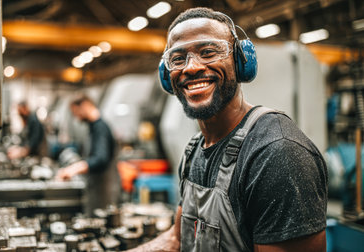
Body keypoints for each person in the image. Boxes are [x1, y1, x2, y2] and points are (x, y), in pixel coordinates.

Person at [129, 7, 328, 251]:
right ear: (166, 75)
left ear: (241, 61)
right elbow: (176, 240)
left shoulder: (276, 154)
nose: (191, 68)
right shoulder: (194, 151)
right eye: (178, 59)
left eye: (208, 52)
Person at [55, 94, 120, 216]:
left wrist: (73, 169)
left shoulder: (100, 128)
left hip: (104, 190)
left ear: (84, 105)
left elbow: (100, 159)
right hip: (96, 187)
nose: (76, 117)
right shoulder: (92, 128)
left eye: (76, 112)